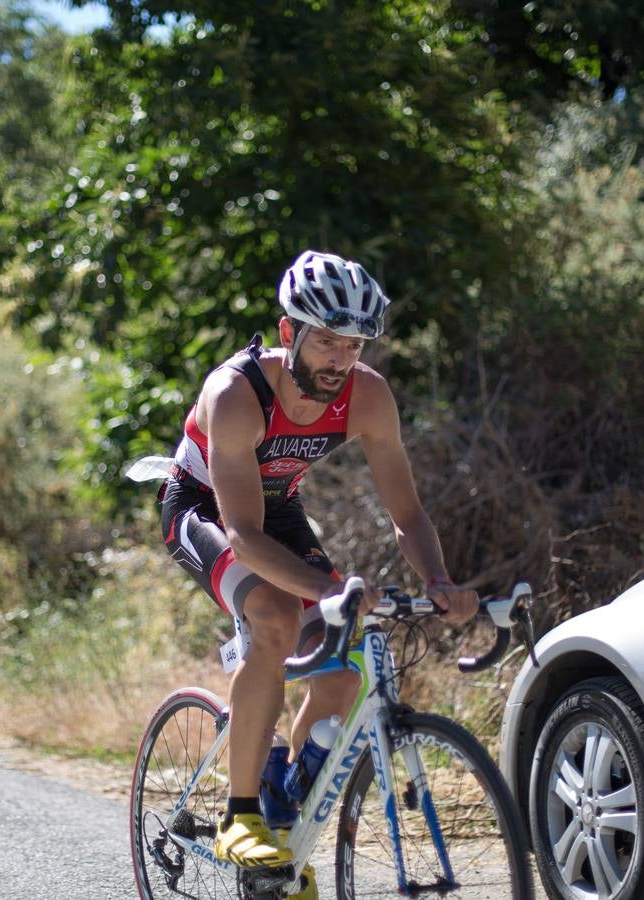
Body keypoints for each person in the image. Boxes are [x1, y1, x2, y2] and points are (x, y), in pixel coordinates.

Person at [158, 249, 479, 886]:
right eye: (326, 340)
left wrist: (439, 581)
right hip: (204, 509)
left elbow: (408, 515)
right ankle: (240, 815)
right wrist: (333, 587)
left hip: (277, 509)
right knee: (275, 617)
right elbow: (243, 537)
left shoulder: (368, 396)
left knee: (340, 672)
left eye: (353, 345)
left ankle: (283, 826)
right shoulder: (236, 394)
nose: (339, 359)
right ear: (289, 332)